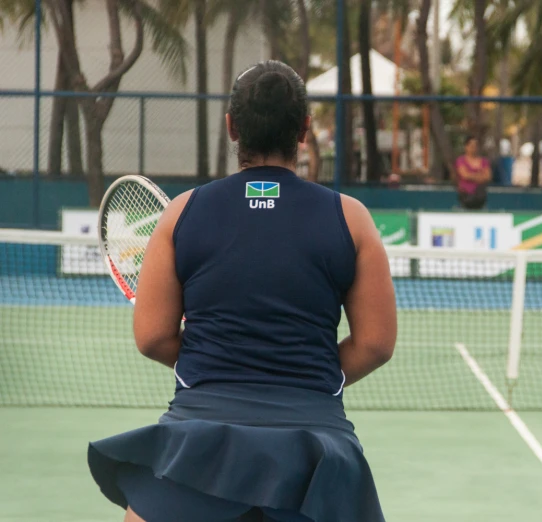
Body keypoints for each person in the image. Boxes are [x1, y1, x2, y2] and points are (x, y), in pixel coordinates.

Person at [88, 60, 397, 522]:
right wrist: (301, 374)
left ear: (232, 128)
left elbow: (152, 337)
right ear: (305, 130)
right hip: (316, 456)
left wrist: (222, 363)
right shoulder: (351, 218)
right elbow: (375, 343)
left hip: (198, 445)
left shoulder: (181, 214)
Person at [455, 135, 491, 209]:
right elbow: (465, 175)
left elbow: (488, 176)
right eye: (471, 145)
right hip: (465, 197)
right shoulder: (461, 160)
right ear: (466, 146)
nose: (473, 148)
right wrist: (480, 175)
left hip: (480, 197)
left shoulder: (484, 161)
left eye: (475, 145)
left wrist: (472, 176)